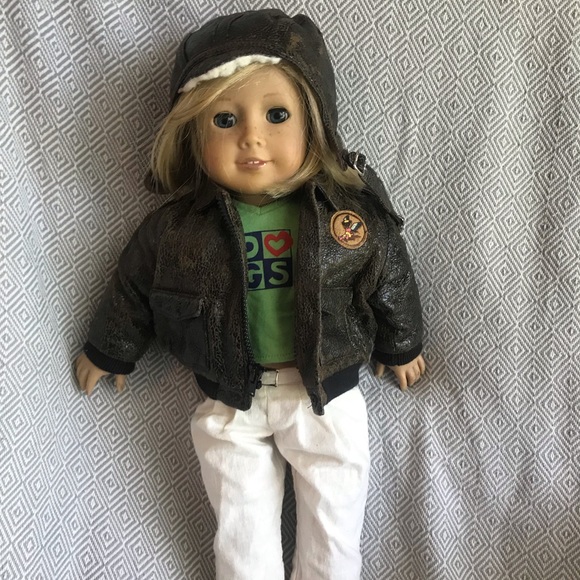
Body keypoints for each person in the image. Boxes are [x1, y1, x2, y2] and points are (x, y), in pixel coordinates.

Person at [74, 9, 425, 580]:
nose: (252, 136)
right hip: (230, 397)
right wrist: (110, 348)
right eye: (225, 119)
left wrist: (401, 342)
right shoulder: (178, 228)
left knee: (334, 527)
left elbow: (388, 272)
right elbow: (133, 285)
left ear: (315, 121)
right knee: (240, 531)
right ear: (193, 133)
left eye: (277, 114)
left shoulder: (345, 214)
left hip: (326, 394)